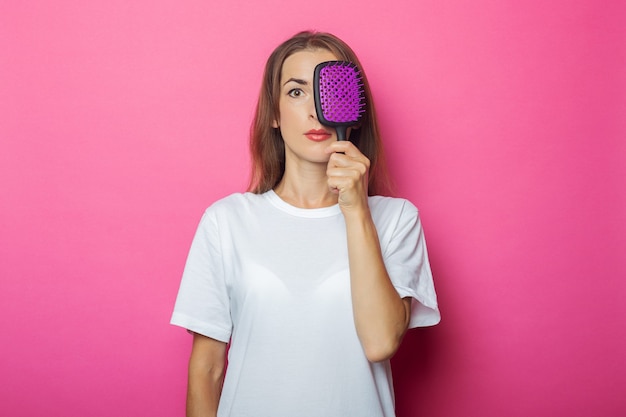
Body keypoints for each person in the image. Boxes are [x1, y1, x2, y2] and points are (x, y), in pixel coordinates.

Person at [171, 30, 440, 417]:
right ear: (275, 114)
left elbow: (380, 342)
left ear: (353, 106)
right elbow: (207, 370)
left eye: (328, 90)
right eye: (296, 92)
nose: (315, 109)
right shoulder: (227, 222)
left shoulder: (397, 219)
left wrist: (356, 210)